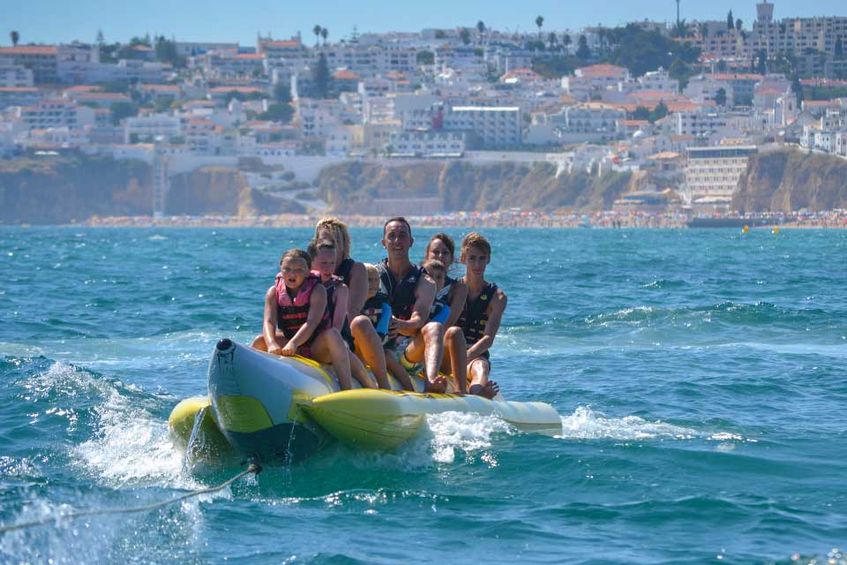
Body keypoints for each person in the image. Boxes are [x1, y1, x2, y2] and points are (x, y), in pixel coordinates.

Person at [251, 249, 354, 390]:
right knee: (259, 341)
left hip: (316, 347)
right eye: (287, 269)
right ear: (280, 269)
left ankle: (347, 389)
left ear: (308, 272)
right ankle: (251, 385)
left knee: (333, 334)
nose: (292, 274)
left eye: (299, 270)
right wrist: (271, 344)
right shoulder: (273, 292)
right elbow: (268, 322)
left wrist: (294, 343)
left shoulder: (318, 290)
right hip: (289, 344)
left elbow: (312, 322)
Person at [314, 217, 390, 389]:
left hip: (343, 337)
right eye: (324, 241)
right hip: (314, 338)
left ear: (344, 245)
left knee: (360, 321)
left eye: (335, 242)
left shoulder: (355, 269)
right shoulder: (309, 268)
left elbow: (352, 312)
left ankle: (383, 386)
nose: (330, 246)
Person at [378, 217, 447, 393]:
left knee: (435, 327)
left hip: (407, 353)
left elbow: (418, 321)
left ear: (411, 242)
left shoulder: (425, 281)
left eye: (402, 236)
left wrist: (399, 324)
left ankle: (431, 382)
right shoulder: (372, 276)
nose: (397, 241)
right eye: (391, 236)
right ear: (384, 242)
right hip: (376, 347)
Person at [457, 233, 505, 399]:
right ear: (463, 259)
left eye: (482, 258)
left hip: (475, 356)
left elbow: (488, 339)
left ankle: (478, 395)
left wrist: (465, 357)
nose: (477, 265)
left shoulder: (497, 297)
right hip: (449, 351)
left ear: (488, 259)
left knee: (481, 367)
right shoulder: (453, 289)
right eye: (472, 258)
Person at [423, 233, 468, 329]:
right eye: (435, 252)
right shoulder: (416, 280)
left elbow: (448, 323)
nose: (440, 256)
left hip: (438, 334)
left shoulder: (458, 288)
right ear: (427, 256)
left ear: (451, 259)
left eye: (445, 253)